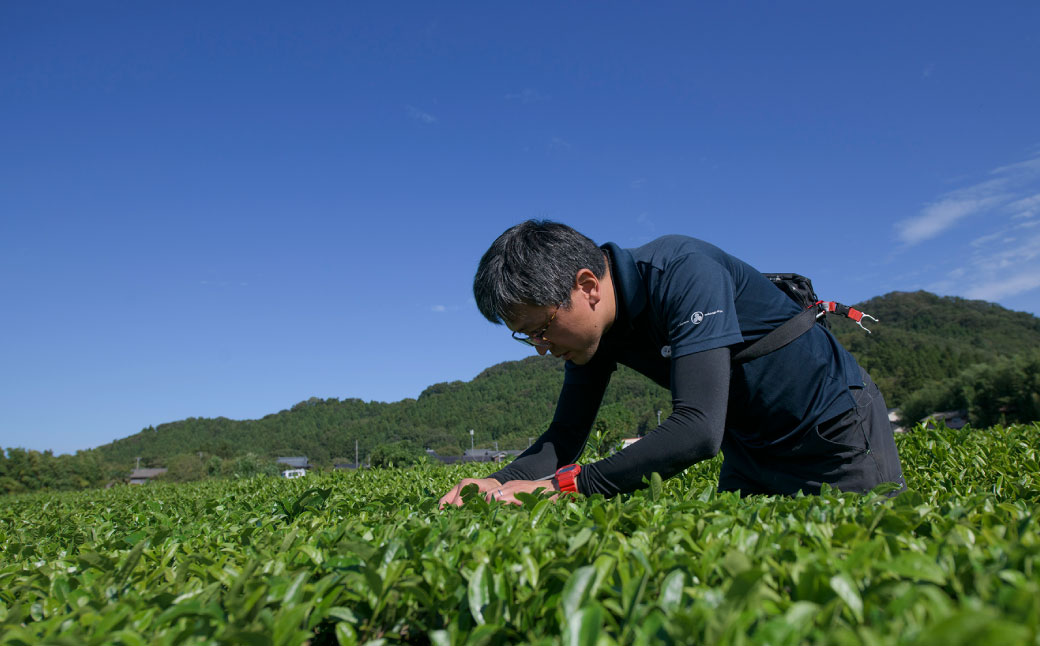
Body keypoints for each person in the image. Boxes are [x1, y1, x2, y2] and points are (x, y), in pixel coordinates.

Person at [438, 220, 905, 508]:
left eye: (542, 328)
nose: (540, 346)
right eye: (527, 336)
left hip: (832, 430)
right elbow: (564, 438)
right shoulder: (591, 335)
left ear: (587, 285)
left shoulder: (683, 271)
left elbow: (697, 429)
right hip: (750, 449)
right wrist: (493, 482)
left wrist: (563, 488)